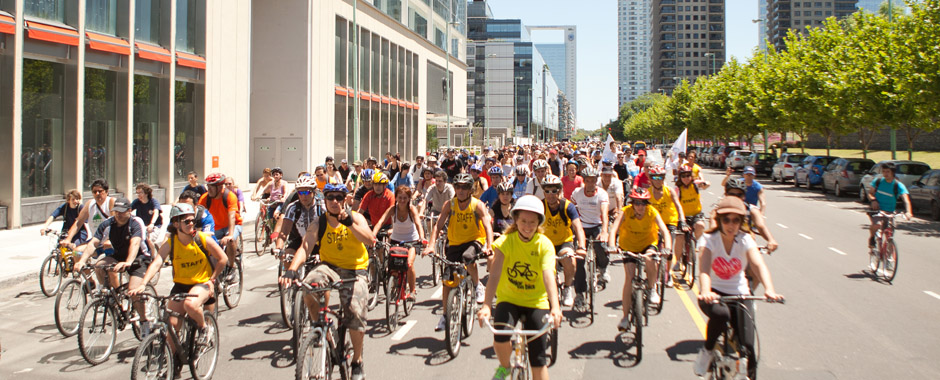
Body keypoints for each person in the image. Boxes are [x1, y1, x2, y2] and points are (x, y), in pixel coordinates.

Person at [279, 184, 374, 380]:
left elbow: (370, 240)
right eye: (330, 197)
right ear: (325, 199)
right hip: (329, 266)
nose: (334, 202)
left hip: (355, 269)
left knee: (354, 310)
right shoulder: (318, 222)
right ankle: (320, 330)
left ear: (345, 199)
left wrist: (349, 223)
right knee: (309, 285)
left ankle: (357, 361)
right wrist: (291, 270)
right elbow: (305, 248)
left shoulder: (355, 218)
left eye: (339, 197)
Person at [694, 196, 784, 379]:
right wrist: (705, 291)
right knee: (721, 314)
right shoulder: (709, 239)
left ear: (741, 222)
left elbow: (758, 265)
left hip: (740, 294)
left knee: (748, 346)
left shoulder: (745, 240)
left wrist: (769, 289)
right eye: (726, 219)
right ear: (719, 220)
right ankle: (708, 350)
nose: (731, 224)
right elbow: (704, 269)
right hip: (713, 293)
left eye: (736, 220)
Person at [130, 203, 227, 373]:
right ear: (176, 223)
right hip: (181, 285)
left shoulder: (202, 238)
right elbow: (157, 262)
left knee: (190, 305)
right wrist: (143, 284)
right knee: (171, 327)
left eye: (193, 221)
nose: (192, 224)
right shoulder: (171, 242)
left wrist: (212, 280)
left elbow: (223, 259)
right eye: (187, 221)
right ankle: (172, 363)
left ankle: (204, 329)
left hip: (202, 283)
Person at [476, 195, 562, 380]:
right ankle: (505, 366)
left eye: (532, 222)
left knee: (538, 361)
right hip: (509, 299)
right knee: (500, 336)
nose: (528, 226)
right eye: (523, 221)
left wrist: (555, 307)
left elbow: (549, 276)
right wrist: (487, 306)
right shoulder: (506, 242)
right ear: (516, 219)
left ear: (539, 222)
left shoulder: (545, 245)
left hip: (536, 302)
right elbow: (495, 275)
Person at [423, 173, 494, 331]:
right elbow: (438, 225)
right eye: (458, 187)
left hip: (475, 240)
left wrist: (489, 245)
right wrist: (431, 244)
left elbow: (488, 226)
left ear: (470, 189)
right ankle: (445, 316)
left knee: (468, 257)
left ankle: (477, 285)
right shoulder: (450, 204)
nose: (461, 190)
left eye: (465, 187)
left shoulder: (477, 205)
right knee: (448, 280)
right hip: (455, 242)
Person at [72, 198, 153, 334]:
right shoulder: (107, 224)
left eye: (122, 212)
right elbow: (93, 243)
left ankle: (144, 321)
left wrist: (128, 262)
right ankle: (112, 299)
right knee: (99, 266)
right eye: (116, 212)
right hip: (119, 255)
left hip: (139, 258)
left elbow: (135, 243)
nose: (118, 215)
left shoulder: (135, 222)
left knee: (134, 290)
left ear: (129, 211)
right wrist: (82, 260)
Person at [609, 188, 671, 331]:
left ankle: (651, 288)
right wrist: (611, 245)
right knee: (629, 278)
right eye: (637, 203)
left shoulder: (652, 212)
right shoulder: (626, 211)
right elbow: (614, 229)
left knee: (650, 260)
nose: (640, 206)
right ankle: (625, 317)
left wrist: (667, 248)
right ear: (632, 203)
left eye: (643, 203)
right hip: (628, 246)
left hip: (648, 244)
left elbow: (664, 231)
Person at [539, 175, 587, 308]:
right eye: (547, 191)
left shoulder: (568, 206)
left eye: (554, 191)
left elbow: (578, 226)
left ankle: (567, 288)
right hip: (547, 243)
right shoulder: (541, 206)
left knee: (570, 259)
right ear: (543, 192)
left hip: (564, 242)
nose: (551, 194)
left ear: (559, 191)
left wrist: (582, 246)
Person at [372, 186, 424, 298]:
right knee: (393, 267)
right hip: (395, 240)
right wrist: (373, 235)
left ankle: (412, 291)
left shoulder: (411, 209)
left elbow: (418, 224)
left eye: (405, 198)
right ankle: (395, 282)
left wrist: (422, 238)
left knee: (409, 264)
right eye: (400, 197)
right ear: (396, 198)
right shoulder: (392, 209)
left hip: (412, 241)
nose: (402, 200)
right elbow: (381, 222)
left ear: (409, 198)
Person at [568, 167, 610, 308]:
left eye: (593, 180)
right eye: (588, 181)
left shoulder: (602, 194)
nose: (591, 183)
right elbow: (571, 207)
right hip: (582, 227)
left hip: (597, 225)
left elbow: (604, 214)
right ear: (584, 181)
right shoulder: (577, 193)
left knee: (601, 246)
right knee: (579, 260)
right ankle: (579, 294)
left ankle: (603, 268)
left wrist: (604, 231)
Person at [648, 165, 687, 288]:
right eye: (655, 177)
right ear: (651, 179)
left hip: (670, 222)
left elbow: (678, 206)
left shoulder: (669, 191)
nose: (658, 180)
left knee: (668, 250)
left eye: (661, 177)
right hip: (654, 224)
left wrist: (682, 220)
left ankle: (668, 273)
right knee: (650, 249)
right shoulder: (648, 193)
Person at [198, 173, 243, 274]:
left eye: (211, 187)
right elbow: (199, 215)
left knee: (230, 241)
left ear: (219, 187)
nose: (208, 189)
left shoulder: (229, 196)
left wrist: (230, 235)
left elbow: (231, 216)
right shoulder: (205, 198)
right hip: (216, 227)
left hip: (233, 225)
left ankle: (231, 268)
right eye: (207, 186)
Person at [274, 176, 324, 264]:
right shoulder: (293, 207)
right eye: (300, 192)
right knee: (287, 260)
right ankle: (292, 277)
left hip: (320, 242)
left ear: (314, 192)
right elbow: (284, 232)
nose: (304, 196)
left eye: (307, 192)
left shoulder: (322, 207)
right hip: (298, 240)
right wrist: (279, 248)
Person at [866, 162, 912, 248]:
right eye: (883, 171)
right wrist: (873, 200)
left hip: (889, 211)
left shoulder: (898, 185)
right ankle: (872, 238)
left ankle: (888, 251)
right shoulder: (878, 181)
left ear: (892, 172)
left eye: (887, 172)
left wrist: (909, 212)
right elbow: (870, 193)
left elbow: (906, 200)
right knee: (877, 224)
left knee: (889, 232)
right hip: (877, 209)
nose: (885, 174)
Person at [61, 179, 116, 249]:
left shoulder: (111, 202)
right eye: (94, 192)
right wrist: (68, 239)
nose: (97, 194)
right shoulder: (90, 204)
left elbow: (116, 223)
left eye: (100, 191)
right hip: (96, 241)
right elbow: (78, 222)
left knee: (104, 259)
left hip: (111, 243)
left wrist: (110, 240)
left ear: (106, 191)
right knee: (77, 252)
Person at [676, 164, 710, 264]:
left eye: (688, 175)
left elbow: (706, 184)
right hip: (683, 217)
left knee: (700, 225)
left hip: (696, 214)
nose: (686, 178)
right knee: (679, 238)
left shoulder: (695, 184)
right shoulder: (678, 189)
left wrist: (705, 183)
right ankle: (677, 261)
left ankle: (697, 242)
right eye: (683, 176)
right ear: (680, 177)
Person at [131, 183, 165, 251]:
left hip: (155, 226)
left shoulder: (153, 202)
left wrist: (152, 224)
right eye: (137, 193)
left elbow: (156, 212)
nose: (138, 195)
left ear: (146, 193)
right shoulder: (136, 202)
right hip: (142, 226)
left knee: (149, 239)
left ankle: (153, 257)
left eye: (140, 193)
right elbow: (128, 210)